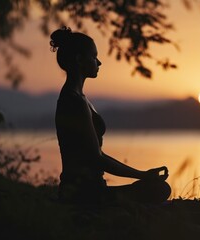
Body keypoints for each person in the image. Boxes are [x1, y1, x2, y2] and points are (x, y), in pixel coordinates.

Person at [50, 27, 171, 205]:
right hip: (83, 194)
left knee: (159, 189)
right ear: (79, 59)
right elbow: (96, 158)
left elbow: (95, 154)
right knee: (159, 189)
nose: (99, 62)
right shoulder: (74, 101)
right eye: (94, 56)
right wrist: (142, 175)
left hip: (90, 188)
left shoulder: (78, 98)